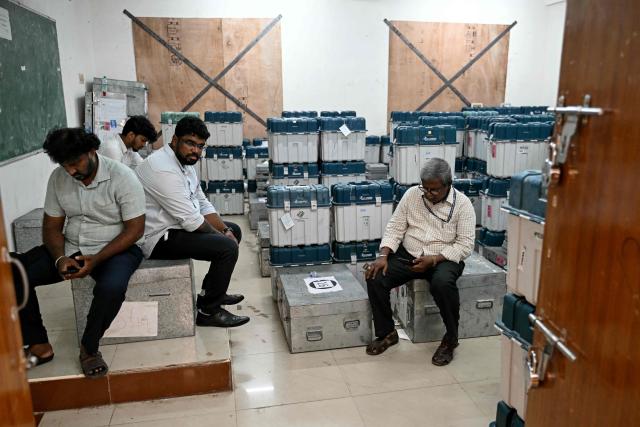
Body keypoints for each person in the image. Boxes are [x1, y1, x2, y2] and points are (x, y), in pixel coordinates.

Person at [10, 128, 146, 377]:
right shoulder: (58, 178)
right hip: (74, 247)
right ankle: (39, 345)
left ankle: (89, 348)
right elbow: (52, 226)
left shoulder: (123, 177)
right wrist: (60, 257)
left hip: (118, 248)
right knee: (14, 270)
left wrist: (96, 260)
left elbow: (135, 229)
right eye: (65, 165)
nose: (71, 171)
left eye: (75, 163)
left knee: (111, 288)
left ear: (92, 151)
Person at [135, 116, 249, 328]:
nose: (195, 151)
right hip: (157, 237)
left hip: (176, 227)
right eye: (190, 143)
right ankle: (208, 311)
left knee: (234, 230)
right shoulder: (162, 167)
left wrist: (224, 229)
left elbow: (202, 203)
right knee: (227, 248)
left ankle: (212, 293)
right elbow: (191, 221)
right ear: (175, 139)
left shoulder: (185, 165)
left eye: (200, 146)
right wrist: (223, 237)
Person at [365, 158, 475, 366]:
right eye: (425, 188)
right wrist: (383, 255)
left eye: (434, 190)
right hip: (410, 253)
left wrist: (434, 259)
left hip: (444, 256)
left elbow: (465, 245)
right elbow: (395, 227)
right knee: (376, 276)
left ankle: (450, 339)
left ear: (448, 184)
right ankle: (387, 333)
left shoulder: (463, 205)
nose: (428, 193)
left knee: (442, 284)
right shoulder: (412, 195)